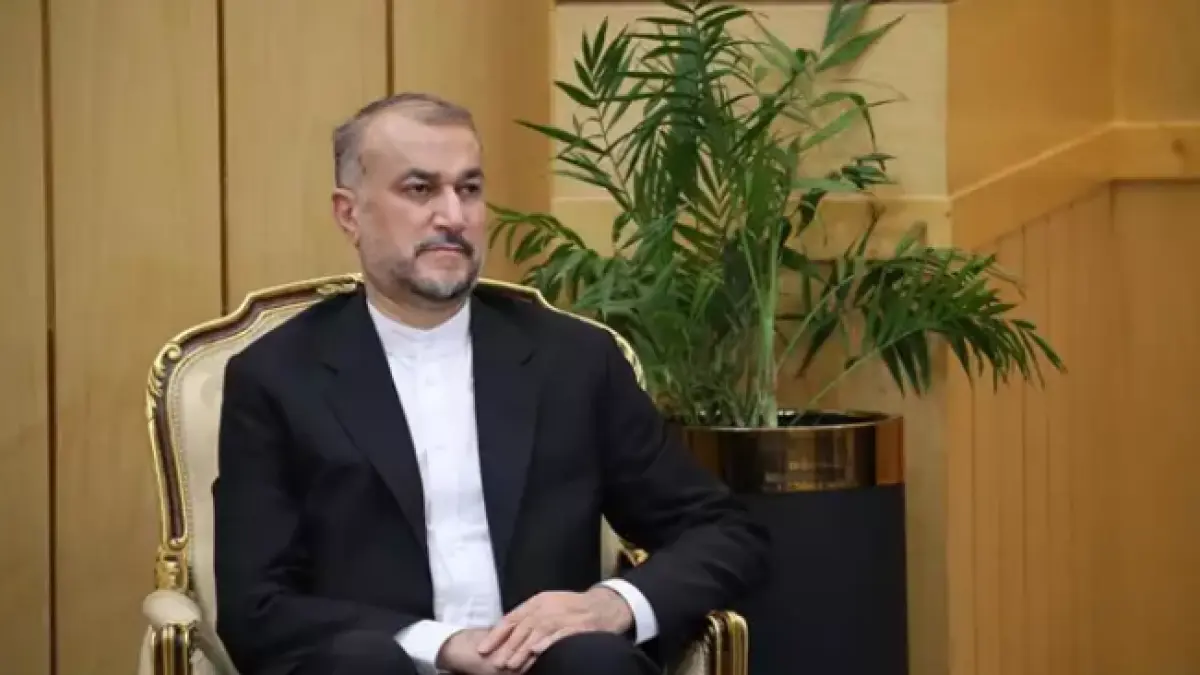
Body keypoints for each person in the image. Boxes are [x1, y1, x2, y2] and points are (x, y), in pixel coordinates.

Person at [212, 92, 769, 675]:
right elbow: (256, 607)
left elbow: (723, 531)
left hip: (552, 668)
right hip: (382, 664)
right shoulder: (278, 377)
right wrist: (439, 644)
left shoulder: (573, 361)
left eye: (470, 189)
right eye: (420, 189)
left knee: (595, 663)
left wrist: (612, 604)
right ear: (349, 214)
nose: (453, 216)